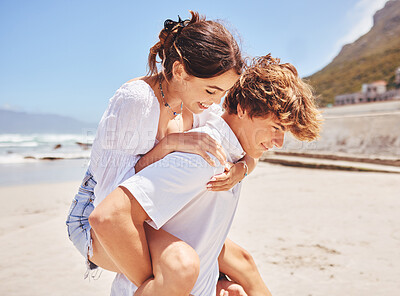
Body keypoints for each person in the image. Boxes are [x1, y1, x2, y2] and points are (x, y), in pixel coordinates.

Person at [66, 11, 266, 296]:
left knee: (244, 265)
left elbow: (241, 146)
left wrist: (243, 168)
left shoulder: (199, 104)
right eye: (212, 90)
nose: (215, 102)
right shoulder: (137, 101)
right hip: (94, 221)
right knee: (179, 273)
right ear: (180, 71)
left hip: (146, 215)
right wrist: (169, 145)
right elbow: (110, 204)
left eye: (223, 93)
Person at [93, 54, 322, 296]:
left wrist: (214, 283)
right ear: (244, 109)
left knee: (244, 262)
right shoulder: (204, 157)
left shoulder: (232, 156)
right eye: (276, 128)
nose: (279, 142)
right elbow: (109, 217)